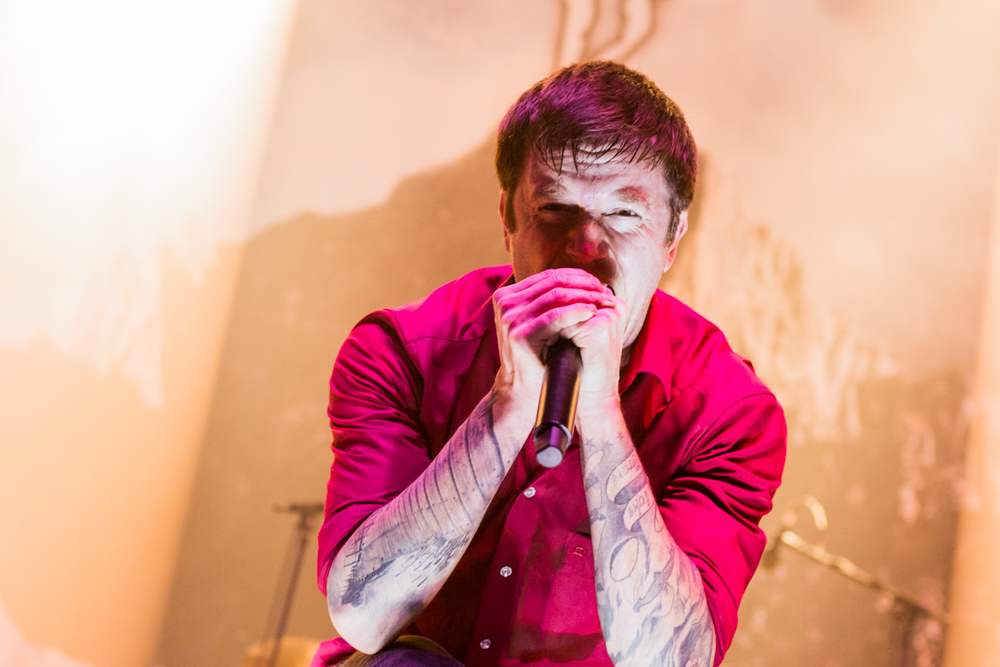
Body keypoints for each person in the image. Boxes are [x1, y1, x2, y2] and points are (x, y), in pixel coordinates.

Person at [312, 61, 786, 667]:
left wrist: (601, 413)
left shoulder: (729, 413)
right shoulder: (402, 350)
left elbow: (672, 660)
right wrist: (508, 406)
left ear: (672, 239)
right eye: (555, 207)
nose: (585, 246)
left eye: (624, 214)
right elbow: (363, 614)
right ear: (508, 220)